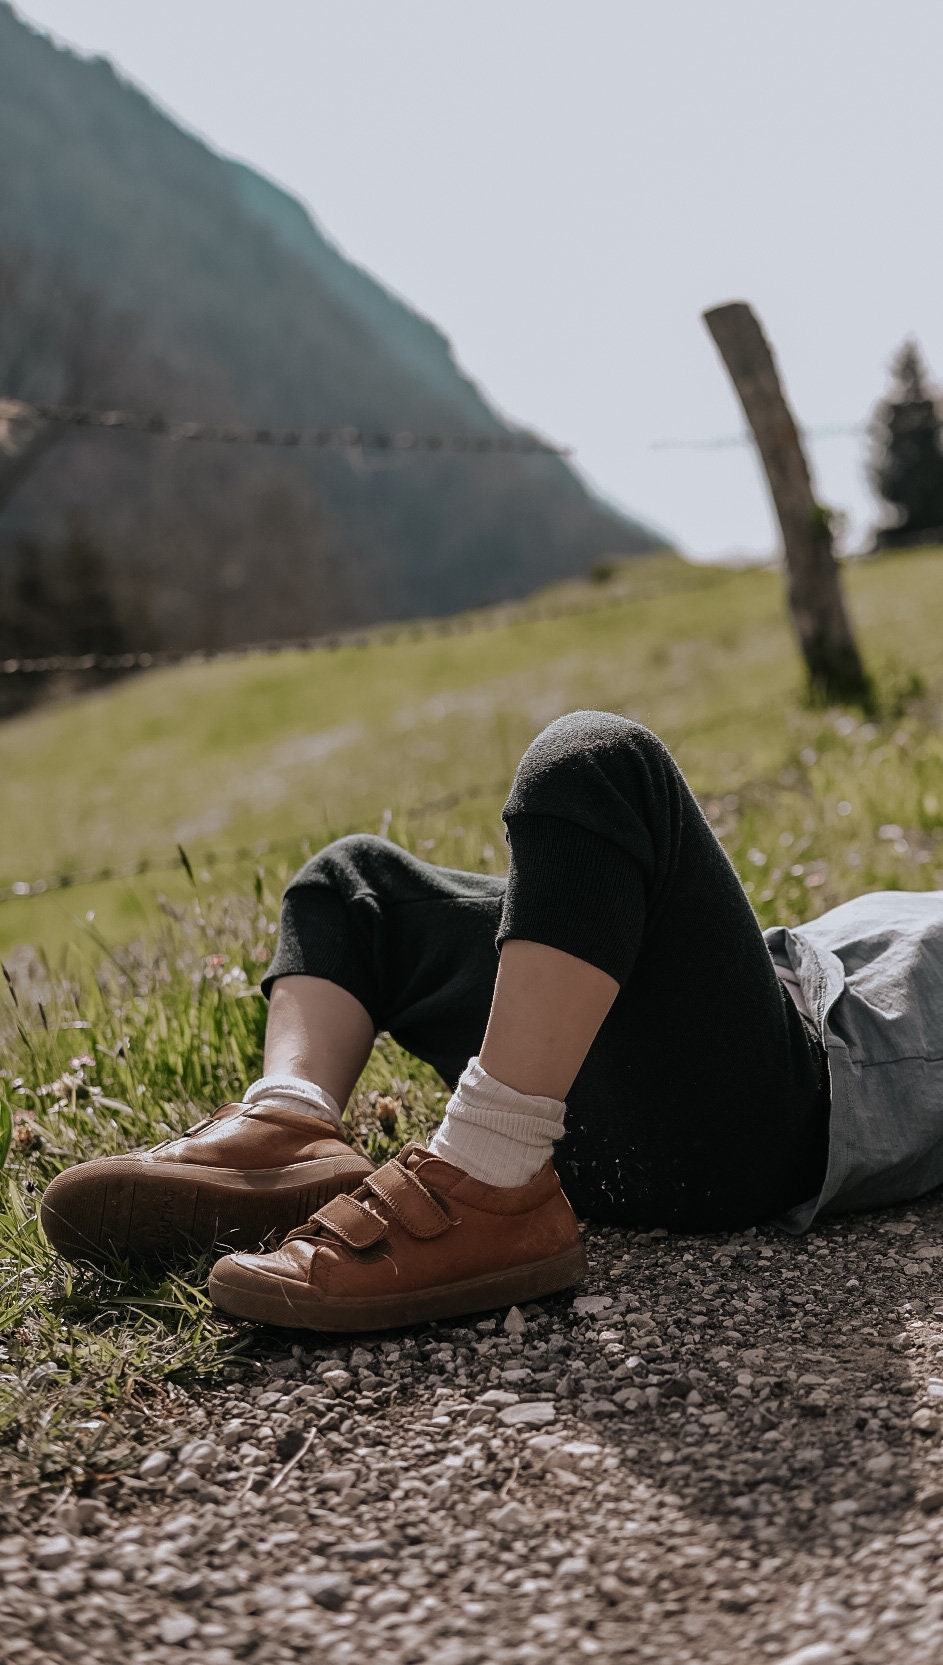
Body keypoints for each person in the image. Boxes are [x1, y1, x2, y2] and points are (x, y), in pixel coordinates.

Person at [41, 711, 943, 1334]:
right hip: (670, 1056)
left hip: (780, 1107)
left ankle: (489, 1175)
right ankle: (289, 1121)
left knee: (596, 760)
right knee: (354, 885)